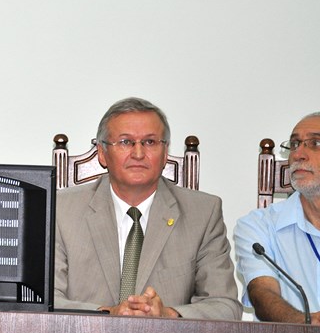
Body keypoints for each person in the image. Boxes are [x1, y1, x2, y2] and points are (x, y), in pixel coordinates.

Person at [54, 97, 241, 320]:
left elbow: (225, 306)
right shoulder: (62, 210)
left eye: (150, 142)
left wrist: (168, 315)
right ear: (102, 153)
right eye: (125, 142)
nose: (138, 153)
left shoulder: (203, 214)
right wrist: (108, 313)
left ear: (165, 153)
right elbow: (45, 300)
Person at [234, 112, 320, 324]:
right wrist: (307, 324)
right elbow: (263, 294)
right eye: (294, 144)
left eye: (315, 143)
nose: (298, 154)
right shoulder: (259, 226)